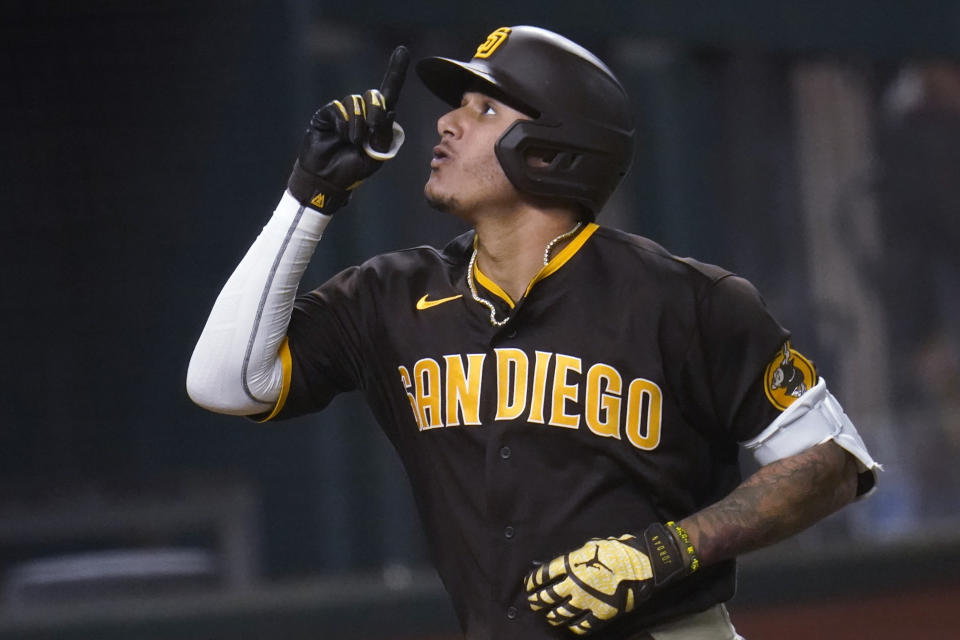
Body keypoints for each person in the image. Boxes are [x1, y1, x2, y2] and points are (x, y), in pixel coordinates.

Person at [187, 26, 880, 640]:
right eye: (458, 105)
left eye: (483, 108)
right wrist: (309, 196)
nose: (448, 124)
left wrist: (665, 551)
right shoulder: (390, 296)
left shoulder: (688, 300)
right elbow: (227, 384)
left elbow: (831, 464)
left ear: (553, 151)